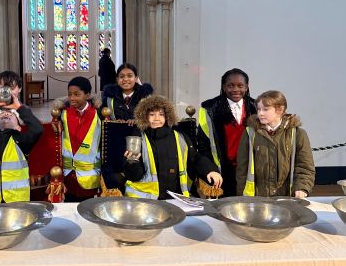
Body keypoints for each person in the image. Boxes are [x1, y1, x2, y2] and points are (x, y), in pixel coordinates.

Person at [123, 95, 222, 199]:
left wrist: (210, 170)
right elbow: (134, 176)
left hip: (177, 198)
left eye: (161, 114)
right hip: (146, 201)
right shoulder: (137, 139)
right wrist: (132, 162)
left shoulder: (180, 137)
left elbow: (195, 159)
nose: (157, 118)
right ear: (145, 117)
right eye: (152, 114)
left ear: (167, 116)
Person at [236, 90, 315, 198]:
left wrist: (302, 188)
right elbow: (242, 170)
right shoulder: (250, 133)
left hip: (287, 199)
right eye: (258, 109)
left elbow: (305, 167)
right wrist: (242, 196)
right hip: (258, 199)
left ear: (280, 110)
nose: (260, 113)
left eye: (265, 109)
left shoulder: (298, 134)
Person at [197, 68, 257, 197]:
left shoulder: (256, 107)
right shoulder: (209, 108)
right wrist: (211, 169)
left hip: (248, 169)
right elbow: (203, 145)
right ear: (223, 87)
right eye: (230, 85)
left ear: (246, 87)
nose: (236, 89)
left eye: (240, 85)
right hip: (222, 170)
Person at [60, 76, 101, 202]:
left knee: (87, 207)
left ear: (87, 95)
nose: (72, 98)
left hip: (89, 175)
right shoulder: (64, 113)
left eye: (77, 94)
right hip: (68, 174)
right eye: (69, 94)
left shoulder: (98, 114)